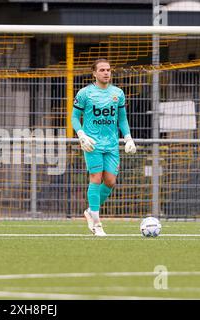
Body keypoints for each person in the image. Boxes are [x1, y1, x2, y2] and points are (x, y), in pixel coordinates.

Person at [71, 58, 137, 236]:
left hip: (112, 144)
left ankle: (90, 211)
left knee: (110, 181)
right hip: (92, 144)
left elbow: (122, 119)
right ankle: (97, 222)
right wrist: (81, 135)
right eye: (102, 70)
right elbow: (74, 117)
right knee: (96, 178)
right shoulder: (85, 93)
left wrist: (128, 138)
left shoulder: (118, 93)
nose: (106, 73)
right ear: (94, 73)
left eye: (108, 70)